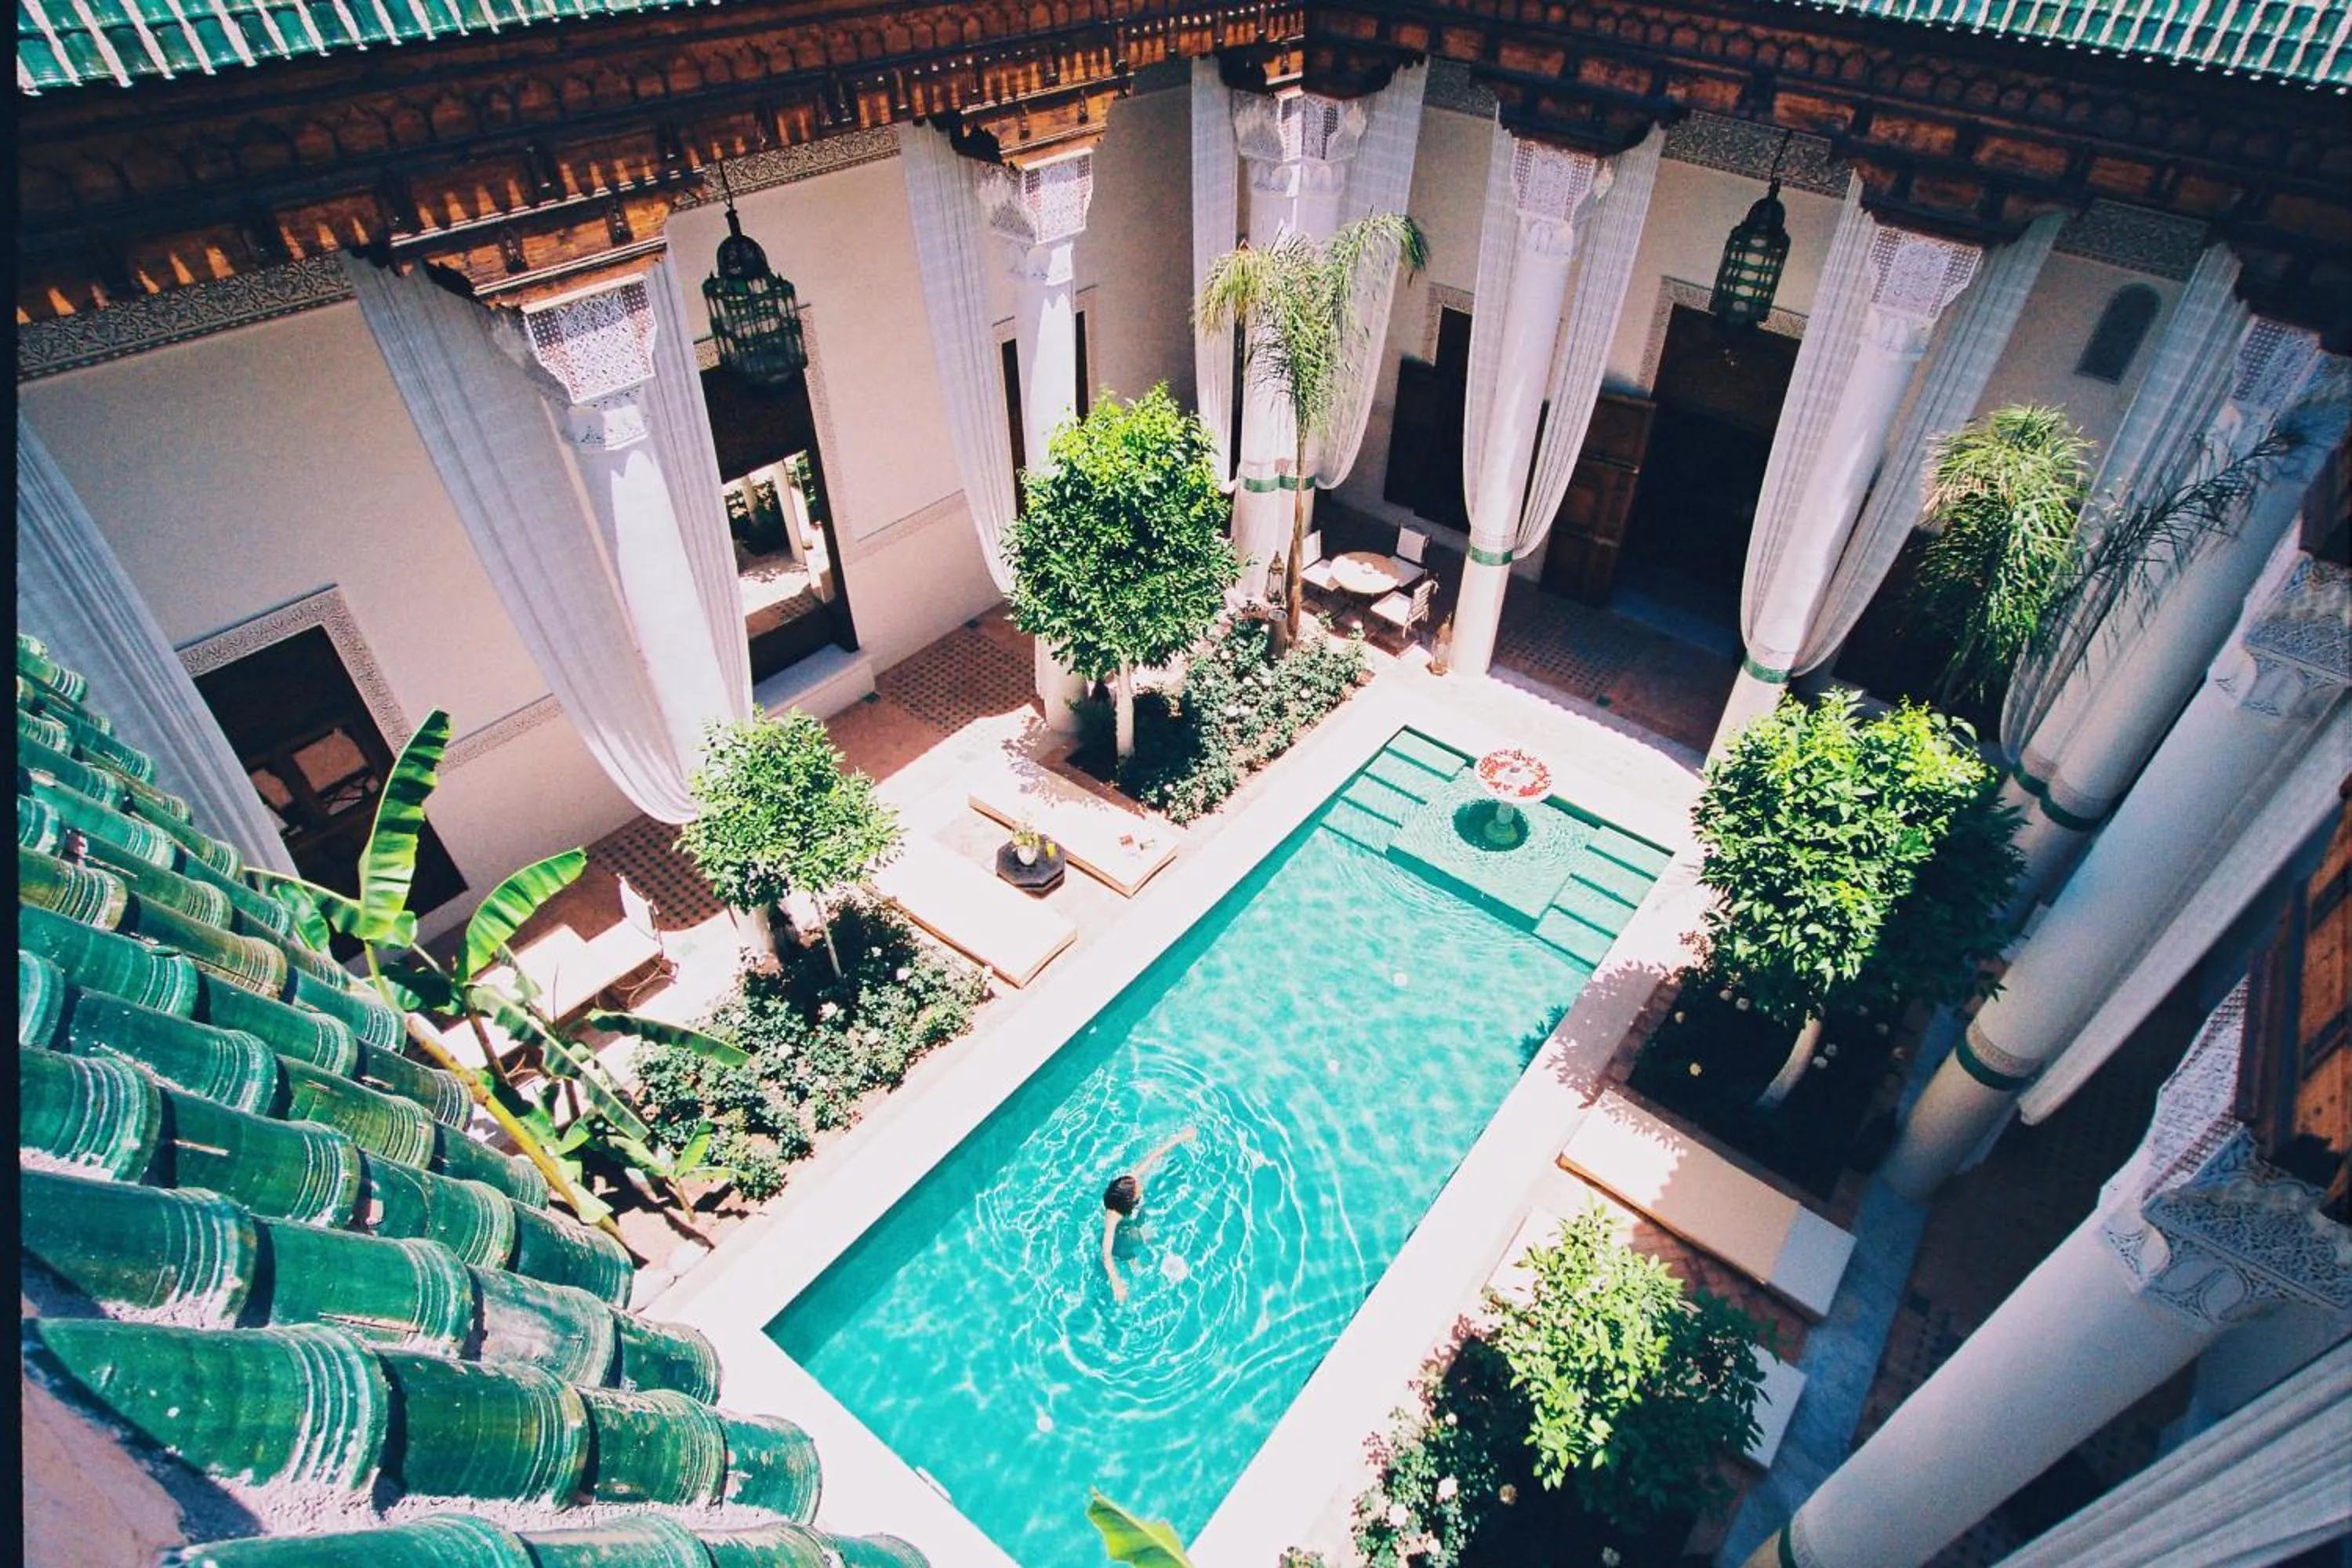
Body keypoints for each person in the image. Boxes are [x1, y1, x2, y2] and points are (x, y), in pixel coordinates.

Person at [1101, 1126, 1196, 1304]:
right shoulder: (1113, 1217)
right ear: (1129, 1201)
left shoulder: (1130, 1180)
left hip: (1136, 1216)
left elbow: (1154, 1156)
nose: (1140, 1186)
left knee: (1149, 1235)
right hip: (1125, 1230)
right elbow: (1106, 1254)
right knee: (1130, 1244)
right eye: (1138, 1190)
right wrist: (1116, 1283)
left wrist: (1181, 1137)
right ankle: (1131, 1258)